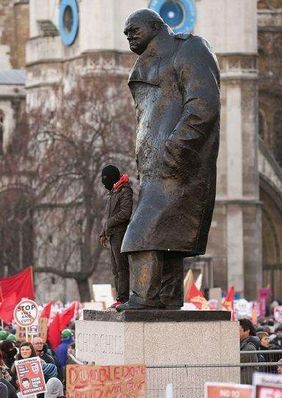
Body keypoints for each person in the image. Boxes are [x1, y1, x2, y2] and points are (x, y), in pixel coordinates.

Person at [117, 8, 220, 311]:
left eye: (133, 28)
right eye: (125, 32)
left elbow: (204, 105)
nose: (128, 34)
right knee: (168, 237)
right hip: (155, 170)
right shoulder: (144, 64)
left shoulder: (189, 48)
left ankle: (143, 298)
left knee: (142, 234)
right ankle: (165, 298)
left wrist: (176, 148)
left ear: (156, 26)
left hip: (182, 166)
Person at [98, 164, 133, 309]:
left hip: (121, 233)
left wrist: (109, 225)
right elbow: (108, 216)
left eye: (105, 179)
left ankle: (123, 298)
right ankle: (119, 297)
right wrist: (103, 232)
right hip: (112, 234)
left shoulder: (125, 191)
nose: (104, 182)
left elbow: (125, 213)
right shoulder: (114, 192)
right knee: (115, 269)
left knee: (121, 268)